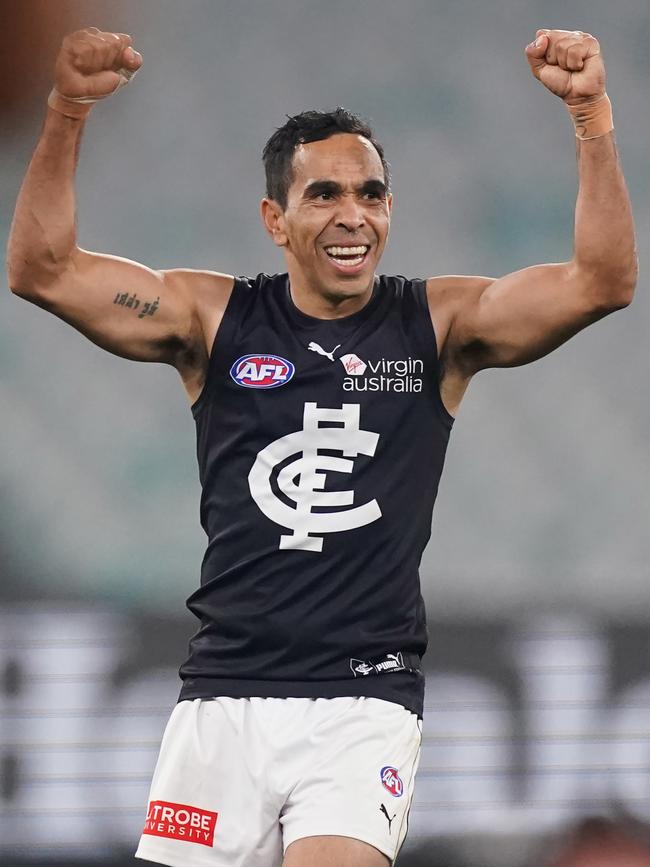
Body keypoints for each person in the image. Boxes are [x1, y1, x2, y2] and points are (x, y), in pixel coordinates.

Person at [7, 24, 636, 867]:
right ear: (276, 217)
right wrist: (69, 109)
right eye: (326, 194)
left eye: (372, 194)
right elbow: (41, 268)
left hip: (361, 699)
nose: (353, 215)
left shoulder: (437, 327)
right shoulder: (212, 318)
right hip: (224, 699)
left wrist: (590, 114)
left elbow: (604, 280)